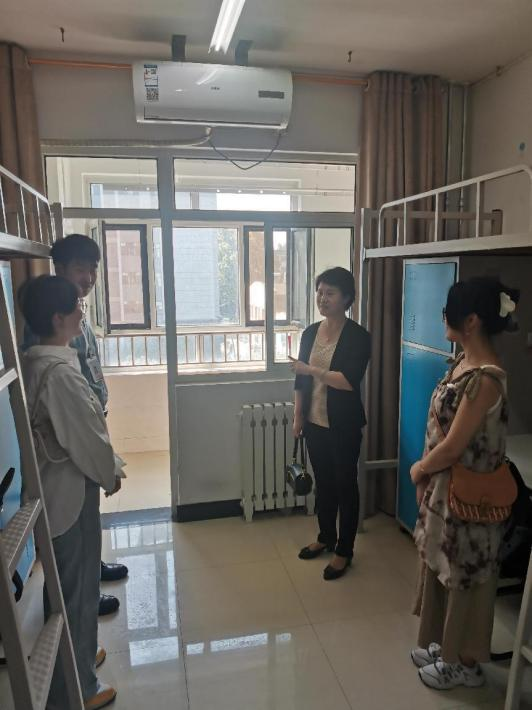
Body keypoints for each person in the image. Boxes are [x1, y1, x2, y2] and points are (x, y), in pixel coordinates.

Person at [409, 276, 520, 690]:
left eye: (449, 311)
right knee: (444, 568)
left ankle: (465, 664)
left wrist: (419, 469)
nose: (444, 318)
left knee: (467, 577)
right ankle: (446, 646)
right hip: (448, 492)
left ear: (471, 320)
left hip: (470, 499)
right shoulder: (462, 363)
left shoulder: (486, 380)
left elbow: (454, 446)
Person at [21, 275, 124, 710]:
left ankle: (79, 657)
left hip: (55, 490)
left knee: (66, 586)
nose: (83, 312)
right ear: (57, 317)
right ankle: (77, 688)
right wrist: (110, 472)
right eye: (76, 307)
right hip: (70, 493)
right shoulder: (60, 373)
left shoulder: (36, 362)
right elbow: (87, 438)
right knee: (76, 593)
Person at [22, 233, 128, 617]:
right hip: (68, 430)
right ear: (61, 268)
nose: (89, 277)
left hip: (85, 416)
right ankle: (77, 603)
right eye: (82, 268)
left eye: (94, 269)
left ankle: (91, 573)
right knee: (70, 528)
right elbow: (58, 391)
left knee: (86, 518)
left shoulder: (77, 310)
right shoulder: (50, 318)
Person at [289, 267, 371, 580]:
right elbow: (300, 380)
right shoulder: (310, 332)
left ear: (347, 298)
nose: (322, 298)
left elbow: (348, 381)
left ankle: (344, 550)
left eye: (330, 293)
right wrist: (298, 416)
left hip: (343, 424)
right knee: (324, 484)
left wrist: (311, 370)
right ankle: (326, 537)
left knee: (345, 485)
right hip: (314, 423)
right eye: (320, 292)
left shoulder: (358, 336)